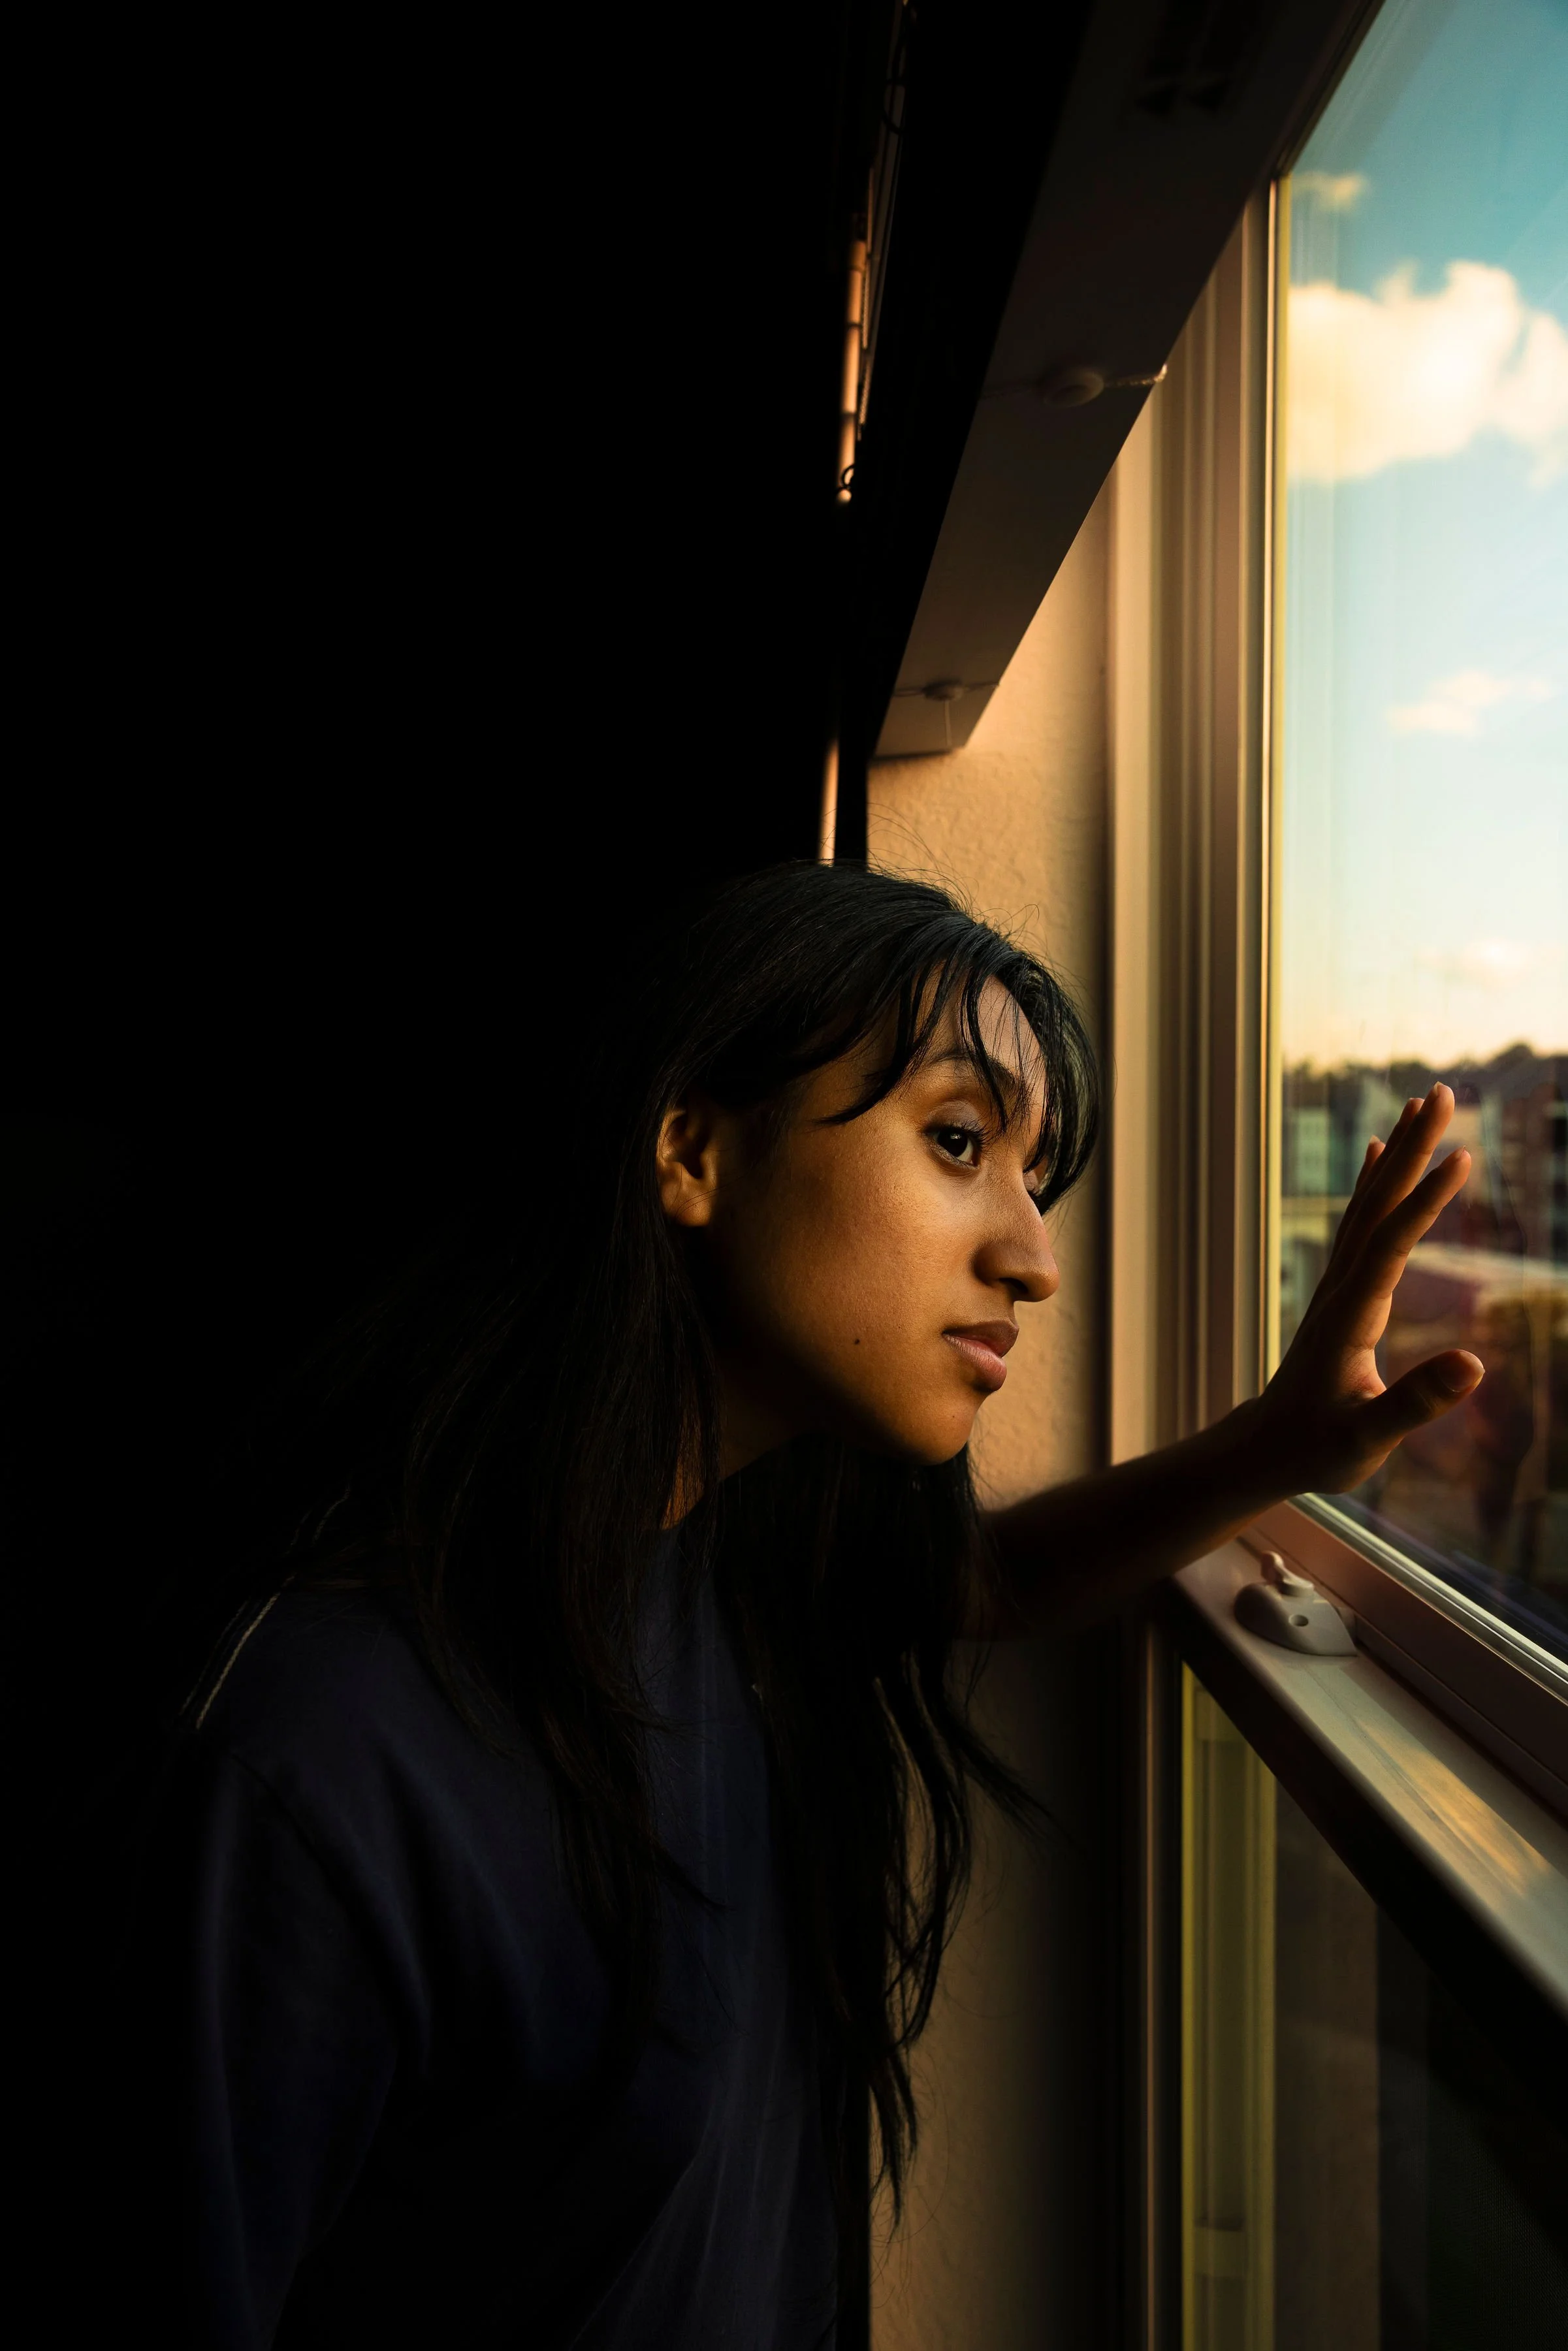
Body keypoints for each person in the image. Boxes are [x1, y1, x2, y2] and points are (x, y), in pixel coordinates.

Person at [80, 864, 1481, 2348]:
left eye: (1032, 1174)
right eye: (958, 1142)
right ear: (690, 1149)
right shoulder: (315, 1756)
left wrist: (1274, 1450)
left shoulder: (729, 1570)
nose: (1036, 1257)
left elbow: (980, 1581)